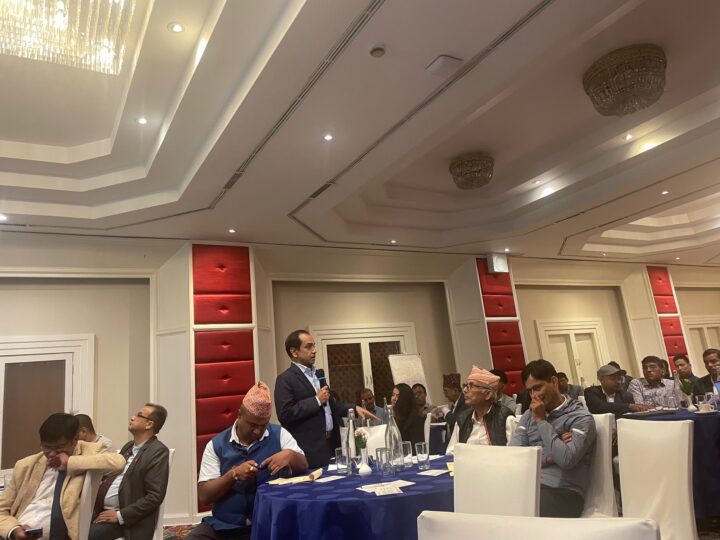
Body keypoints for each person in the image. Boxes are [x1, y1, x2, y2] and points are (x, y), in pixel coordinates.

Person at [188, 382, 307, 540]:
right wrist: (233, 475)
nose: (257, 431)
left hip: (268, 524)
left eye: (263, 426)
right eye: (252, 425)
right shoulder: (216, 445)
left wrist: (290, 455)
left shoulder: (280, 435)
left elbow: (304, 465)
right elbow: (204, 495)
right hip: (225, 525)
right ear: (239, 415)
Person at [0, 413, 124, 540]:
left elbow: (118, 462)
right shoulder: (25, 466)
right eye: (47, 447)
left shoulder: (90, 451)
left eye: (59, 447)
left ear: (75, 439)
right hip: (20, 532)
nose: (52, 453)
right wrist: (13, 530)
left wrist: (70, 462)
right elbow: (2, 508)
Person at [274, 330, 376, 468]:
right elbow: (285, 414)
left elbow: (330, 406)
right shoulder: (285, 379)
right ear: (294, 352)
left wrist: (353, 407)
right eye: (308, 347)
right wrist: (316, 400)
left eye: (314, 346)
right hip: (309, 450)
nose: (314, 351)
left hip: (333, 445)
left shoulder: (318, 375)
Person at [510, 359, 596, 518]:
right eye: (530, 391)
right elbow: (513, 456)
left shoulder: (580, 418)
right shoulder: (529, 415)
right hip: (527, 486)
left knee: (519, 512)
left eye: (538, 387)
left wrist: (541, 421)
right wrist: (552, 453)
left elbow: (566, 459)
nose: (534, 396)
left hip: (564, 493)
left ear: (554, 382)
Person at [89, 403, 170, 540]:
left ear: (149, 424)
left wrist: (120, 515)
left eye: (139, 415)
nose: (132, 417)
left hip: (127, 520)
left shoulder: (158, 451)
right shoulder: (128, 446)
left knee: (86, 535)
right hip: (100, 509)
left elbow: (154, 496)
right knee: (66, 526)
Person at [446, 367, 513, 453]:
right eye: (466, 386)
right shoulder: (463, 419)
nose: (464, 390)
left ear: (487, 394)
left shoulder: (506, 419)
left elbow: (514, 455)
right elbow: (451, 452)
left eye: (471, 386)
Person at [584, 364, 648, 417]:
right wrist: (628, 406)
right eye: (613, 379)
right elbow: (599, 407)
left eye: (620, 379)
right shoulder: (591, 392)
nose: (618, 382)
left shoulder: (627, 395)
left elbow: (632, 416)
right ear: (601, 379)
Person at [390, 384, 425, 450]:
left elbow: (416, 446)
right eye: (393, 395)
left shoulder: (415, 418)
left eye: (397, 396)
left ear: (405, 398)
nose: (393, 398)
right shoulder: (396, 416)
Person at [437, 373, 468, 437]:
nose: (445, 395)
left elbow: (456, 423)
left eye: (446, 391)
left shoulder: (465, 403)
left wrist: (444, 409)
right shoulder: (454, 405)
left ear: (455, 390)